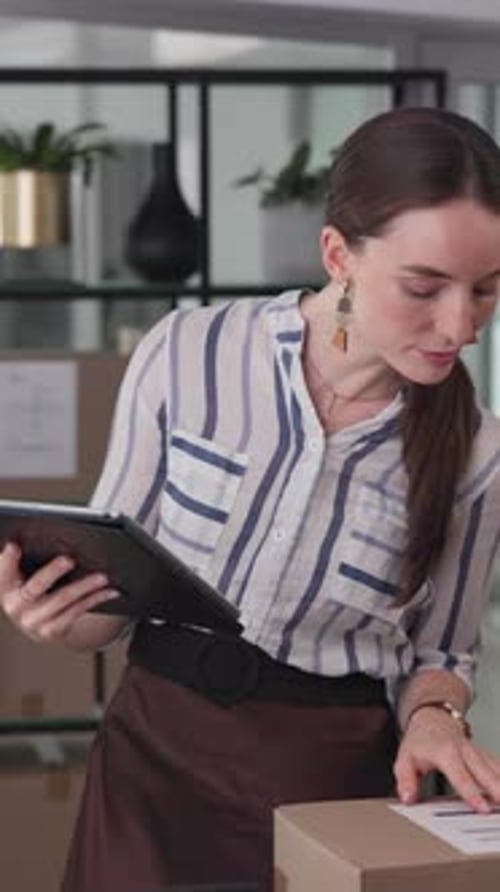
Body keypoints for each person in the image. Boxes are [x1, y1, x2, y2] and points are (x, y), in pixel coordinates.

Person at [2, 105, 500, 892]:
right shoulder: (188, 354)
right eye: (424, 286)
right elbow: (108, 605)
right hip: (151, 765)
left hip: (328, 785)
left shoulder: (476, 450)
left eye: (487, 291)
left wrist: (436, 719)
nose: (460, 324)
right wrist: (56, 616)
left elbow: (441, 654)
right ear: (337, 254)